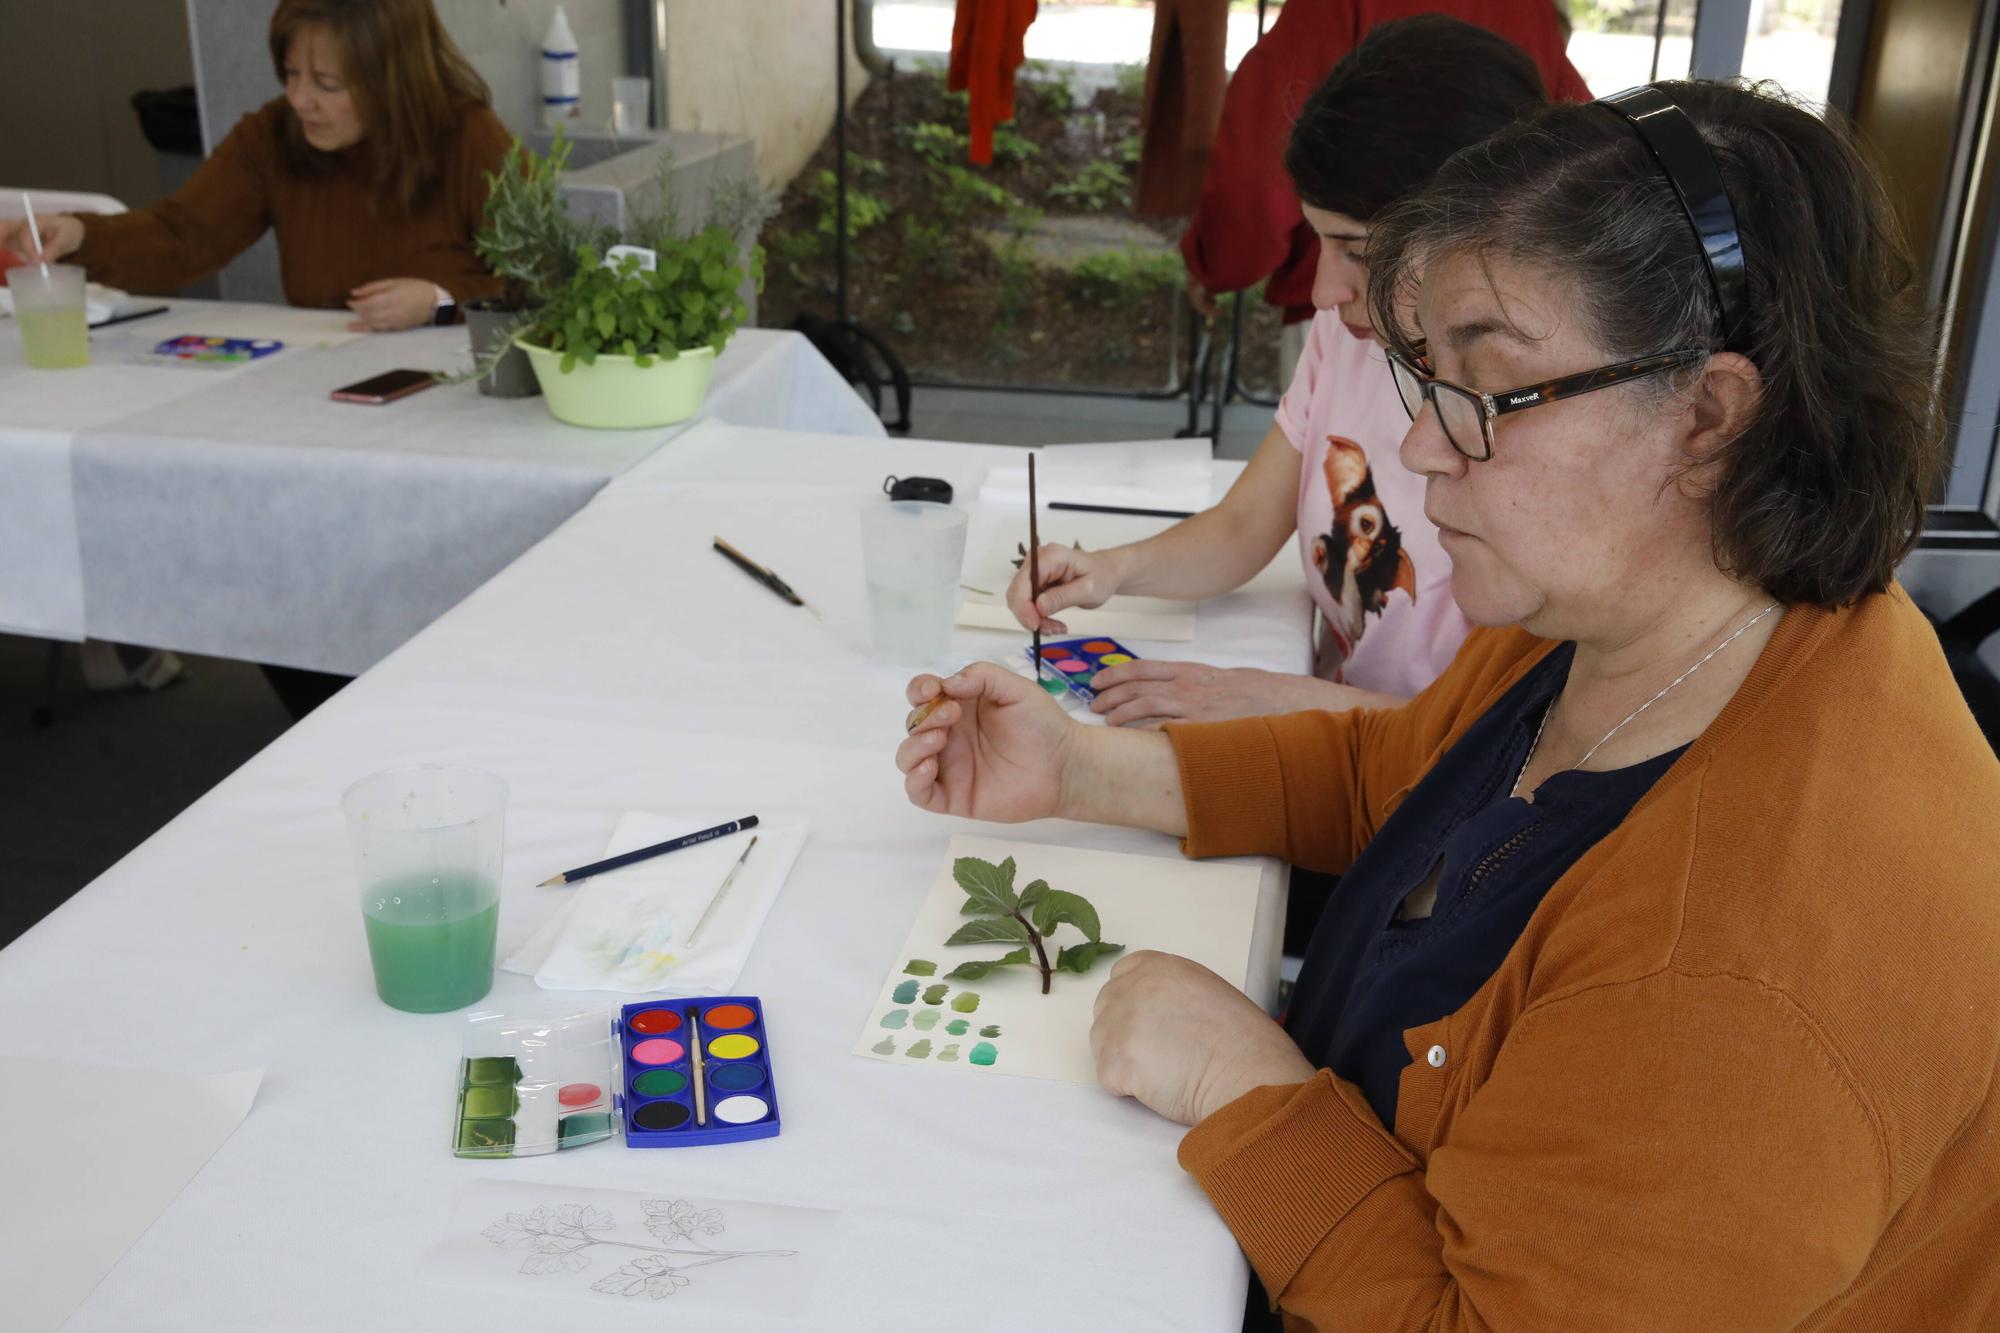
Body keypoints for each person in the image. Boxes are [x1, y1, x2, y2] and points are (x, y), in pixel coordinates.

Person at [902, 80, 2000, 1326]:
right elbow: (1401, 778)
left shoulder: (1735, 978)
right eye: (1424, 383)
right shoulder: (1639, 622)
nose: (1421, 451)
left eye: (1482, 391)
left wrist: (1244, 1085)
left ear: (1705, 417)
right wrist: (1080, 771)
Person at [1009, 17, 1551, 729]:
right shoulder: (1354, 333)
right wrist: (1111, 569)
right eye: (1318, 242)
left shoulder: (1543, 425)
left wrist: (1277, 702)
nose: (1324, 290)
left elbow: (1493, 743)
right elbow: (1242, 526)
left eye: (1355, 249)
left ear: (1478, 230)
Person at [0, 0, 510, 331]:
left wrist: (439, 301)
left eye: (327, 85)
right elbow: (184, 237)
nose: (299, 100)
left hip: (458, 389)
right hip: (323, 381)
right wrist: (80, 236)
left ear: (394, 80)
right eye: (290, 75)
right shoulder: (273, 136)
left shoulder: (470, 139)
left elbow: (545, 286)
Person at [1179, 0, 1587, 330]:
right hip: (1489, 299)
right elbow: (1586, 148)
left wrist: (1217, 262)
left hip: (1367, 302)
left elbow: (1256, 161)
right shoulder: (1531, 8)